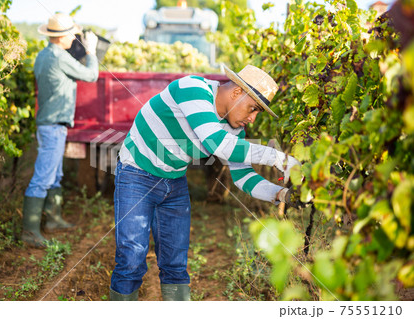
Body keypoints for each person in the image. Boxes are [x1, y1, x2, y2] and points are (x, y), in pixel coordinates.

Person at [109, 64, 302, 301]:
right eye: (253, 109)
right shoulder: (193, 89)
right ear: (236, 93)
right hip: (136, 176)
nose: (252, 119)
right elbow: (215, 143)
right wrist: (277, 157)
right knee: (131, 259)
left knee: (175, 265)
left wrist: (281, 194)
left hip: (174, 181)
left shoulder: (233, 129)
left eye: (257, 113)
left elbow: (243, 178)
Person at [22, 13, 99, 248]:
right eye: (72, 34)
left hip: (51, 124)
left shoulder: (43, 55)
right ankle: (29, 232)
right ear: (62, 36)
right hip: (53, 126)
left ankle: (53, 220)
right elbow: (92, 75)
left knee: (54, 175)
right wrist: (92, 51)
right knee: (43, 178)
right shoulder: (59, 57)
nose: (75, 38)